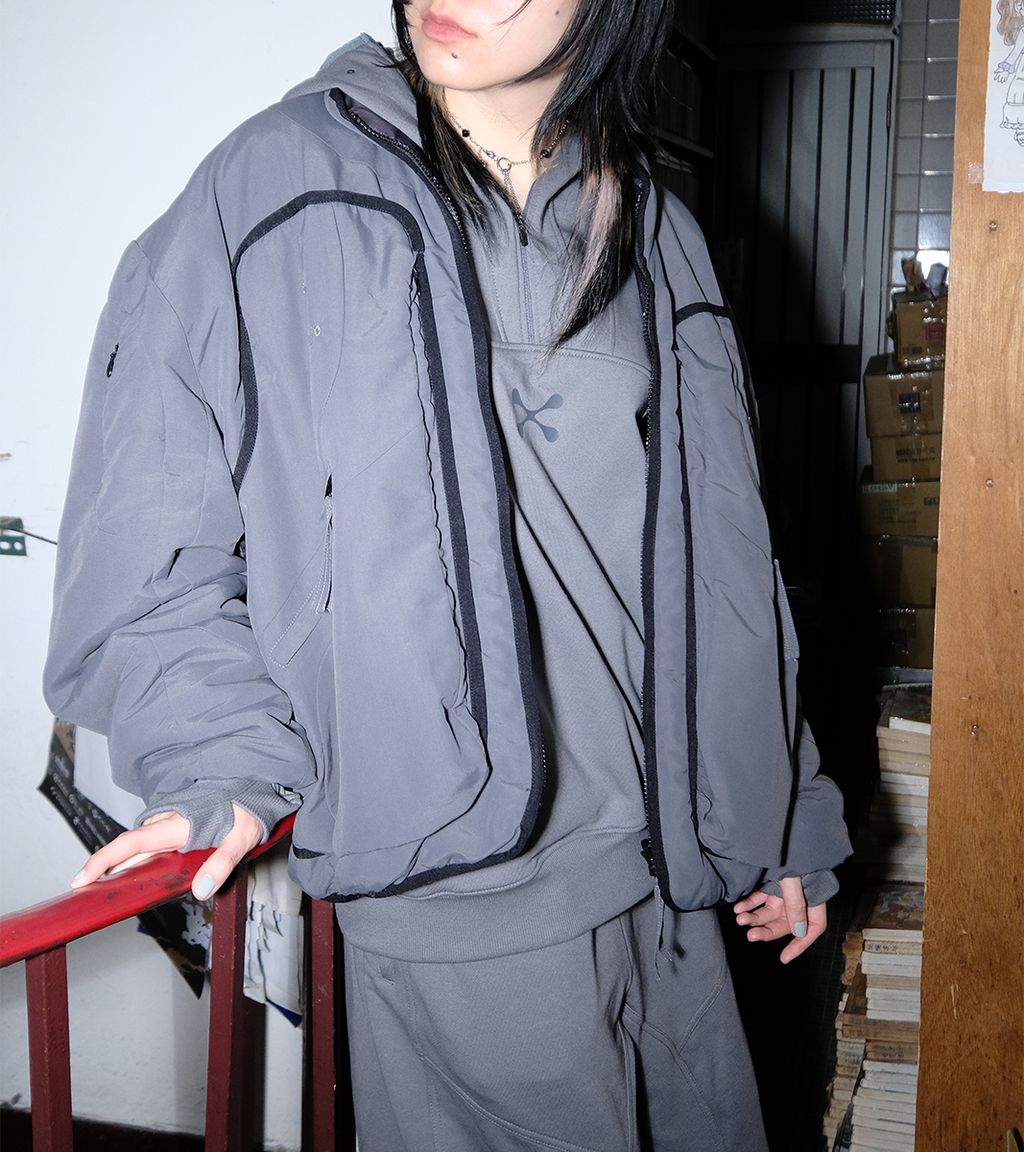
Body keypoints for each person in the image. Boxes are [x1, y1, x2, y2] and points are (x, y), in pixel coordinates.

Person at [45, 2, 853, 1148]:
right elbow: (148, 532)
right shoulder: (279, 183)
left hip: (666, 866)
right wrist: (216, 753)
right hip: (459, 889)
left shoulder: (655, 223)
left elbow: (717, 553)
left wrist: (775, 801)